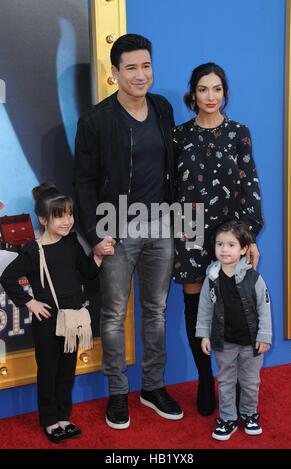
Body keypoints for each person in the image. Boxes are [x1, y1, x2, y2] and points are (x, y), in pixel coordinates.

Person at [73, 33, 183, 430]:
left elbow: (172, 168)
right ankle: (117, 393)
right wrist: (94, 233)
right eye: (132, 67)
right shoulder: (96, 120)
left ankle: (153, 388)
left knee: (156, 311)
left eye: (146, 65)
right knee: (114, 315)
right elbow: (83, 182)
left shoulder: (163, 108)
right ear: (115, 72)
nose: (141, 74)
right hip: (115, 230)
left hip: (162, 228)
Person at [173, 62, 264, 416]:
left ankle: (238, 380)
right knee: (196, 310)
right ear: (192, 94)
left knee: (236, 307)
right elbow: (170, 188)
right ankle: (204, 380)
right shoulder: (179, 136)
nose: (210, 97)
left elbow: (249, 186)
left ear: (224, 92)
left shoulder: (239, 133)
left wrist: (248, 236)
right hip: (190, 231)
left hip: (229, 234)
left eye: (217, 89)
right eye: (202, 89)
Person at [0, 182, 114, 443]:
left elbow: (87, 272)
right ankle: (50, 422)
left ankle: (64, 417)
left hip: (72, 320)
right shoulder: (33, 250)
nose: (67, 221)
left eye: (70, 215)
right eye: (59, 216)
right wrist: (29, 302)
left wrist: (100, 256)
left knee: (67, 370)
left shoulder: (71, 244)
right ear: (43, 219)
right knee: (48, 372)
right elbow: (7, 277)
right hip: (48, 323)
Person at [196, 220, 272, 440]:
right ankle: (228, 418)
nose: (224, 249)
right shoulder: (211, 279)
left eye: (231, 245)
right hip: (224, 341)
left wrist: (264, 336)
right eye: (220, 244)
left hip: (251, 342)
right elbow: (205, 308)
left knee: (250, 381)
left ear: (244, 249)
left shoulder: (254, 278)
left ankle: (249, 414)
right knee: (226, 381)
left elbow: (264, 309)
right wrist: (203, 335)